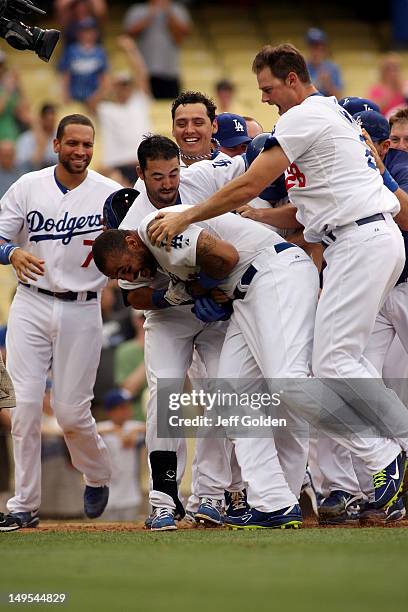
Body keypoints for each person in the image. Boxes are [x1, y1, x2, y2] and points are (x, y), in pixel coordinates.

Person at [147, 43, 408, 516]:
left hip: (353, 243)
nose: (264, 99)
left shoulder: (303, 116)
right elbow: (306, 207)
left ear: (291, 79)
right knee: (235, 388)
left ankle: (391, 453)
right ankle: (272, 501)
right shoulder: (329, 113)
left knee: (322, 367)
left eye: (268, 88)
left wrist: (189, 217)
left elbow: (247, 184)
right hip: (355, 236)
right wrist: (260, 217)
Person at [93, 195, 317, 530]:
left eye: (125, 268)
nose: (130, 274)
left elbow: (227, 257)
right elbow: (140, 293)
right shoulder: (137, 250)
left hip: (273, 275)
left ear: (128, 237)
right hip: (245, 295)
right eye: (121, 274)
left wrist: (196, 289)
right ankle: (275, 502)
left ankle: (379, 452)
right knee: (230, 397)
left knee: (289, 383)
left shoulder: (157, 230)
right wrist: (179, 294)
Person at [103, 135, 246, 531]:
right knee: (164, 396)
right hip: (169, 315)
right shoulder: (132, 221)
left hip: (216, 308)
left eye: (172, 173)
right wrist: (178, 294)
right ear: (141, 175)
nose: (167, 184)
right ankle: (164, 498)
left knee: (222, 390)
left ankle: (213, 495)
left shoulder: (200, 180)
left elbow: (249, 161)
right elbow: (133, 297)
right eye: (157, 176)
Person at [0, 113, 123, 532]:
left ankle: (97, 473)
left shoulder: (110, 194)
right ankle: (24, 504)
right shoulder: (27, 186)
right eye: (73, 143)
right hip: (31, 303)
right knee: (24, 409)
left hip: (83, 306)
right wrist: (10, 253)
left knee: (72, 414)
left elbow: (135, 244)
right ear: (56, 144)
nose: (81, 152)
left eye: (87, 145)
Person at [96, 35, 151, 185]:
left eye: (126, 85)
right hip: (116, 166)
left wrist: (131, 50)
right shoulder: (106, 109)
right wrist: (107, 86)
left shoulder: (138, 102)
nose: (124, 88)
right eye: (120, 85)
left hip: (139, 164)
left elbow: (141, 74)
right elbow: (91, 103)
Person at [123, 0, 191, 99]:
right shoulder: (137, 9)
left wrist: (168, 13)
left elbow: (185, 32)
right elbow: (129, 33)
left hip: (170, 71)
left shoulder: (177, 9)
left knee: (171, 108)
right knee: (143, 106)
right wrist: (150, 14)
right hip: (144, 74)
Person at [98, 389, 145, 522]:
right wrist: (117, 431)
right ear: (111, 411)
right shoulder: (103, 428)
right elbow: (83, 432)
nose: (127, 410)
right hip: (106, 496)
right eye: (122, 407)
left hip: (130, 496)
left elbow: (154, 427)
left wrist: (134, 431)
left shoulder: (133, 426)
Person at [58, 17, 109, 108]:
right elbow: (66, 74)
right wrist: (65, 96)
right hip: (75, 98)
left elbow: (104, 79)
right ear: (79, 33)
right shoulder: (71, 50)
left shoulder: (100, 52)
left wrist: (97, 97)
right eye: (84, 31)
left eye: (90, 31)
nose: (87, 34)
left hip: (94, 99)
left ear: (95, 33)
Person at [16, 104, 58, 170]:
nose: (50, 122)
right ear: (41, 119)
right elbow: (21, 166)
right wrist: (40, 147)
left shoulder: (60, 137)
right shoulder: (26, 138)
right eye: (47, 119)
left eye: (52, 119)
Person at [305, 28, 343, 98]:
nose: (316, 51)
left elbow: (339, 98)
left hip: (327, 107)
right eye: (313, 46)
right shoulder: (302, 67)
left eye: (319, 46)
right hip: (308, 106)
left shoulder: (332, 68)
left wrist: (327, 83)